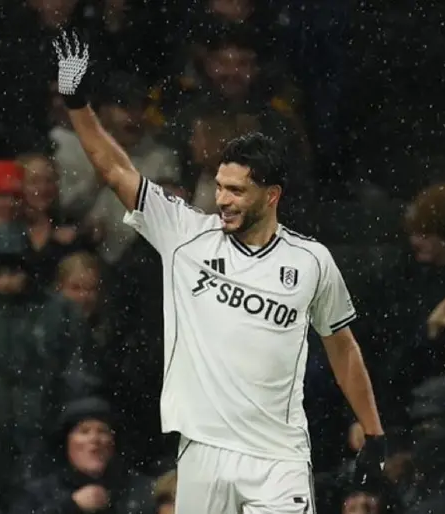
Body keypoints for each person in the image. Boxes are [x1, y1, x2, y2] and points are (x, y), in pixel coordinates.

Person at [51, 31, 386, 513]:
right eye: (221, 186)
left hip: (279, 454)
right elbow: (115, 169)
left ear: (271, 196)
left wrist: (373, 432)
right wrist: (77, 103)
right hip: (203, 451)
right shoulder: (186, 233)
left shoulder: (311, 261)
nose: (223, 199)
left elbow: (343, 347)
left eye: (237, 191)